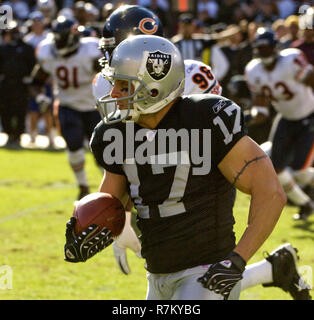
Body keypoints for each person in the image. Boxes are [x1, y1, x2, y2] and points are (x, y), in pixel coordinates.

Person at [63, 34, 290, 300]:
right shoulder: (115, 132)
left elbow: (270, 192)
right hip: (157, 272)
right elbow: (112, 203)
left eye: (124, 86)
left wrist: (238, 259)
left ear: (154, 86)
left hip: (206, 269)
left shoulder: (206, 118)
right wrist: (87, 229)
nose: (113, 94)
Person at [245, 27, 314, 221]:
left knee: (300, 171)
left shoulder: (291, 60)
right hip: (285, 118)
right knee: (277, 168)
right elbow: (262, 111)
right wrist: (247, 117)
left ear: (275, 47)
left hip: (309, 116)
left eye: (267, 47)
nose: (264, 51)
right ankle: (305, 204)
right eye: (261, 48)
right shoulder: (253, 70)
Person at [31, 15, 102, 199]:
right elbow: (36, 81)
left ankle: (110, 189)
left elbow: (109, 74)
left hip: (94, 107)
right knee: (73, 147)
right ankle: (83, 186)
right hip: (67, 106)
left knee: (103, 151)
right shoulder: (48, 52)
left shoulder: (90, 50)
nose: (58, 42)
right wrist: (40, 97)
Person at [0, 20, 36, 148]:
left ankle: (18, 135)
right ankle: (9, 134)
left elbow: (33, 65)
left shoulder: (27, 48)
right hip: (5, 85)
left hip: (22, 85)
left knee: (20, 111)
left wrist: (29, 78)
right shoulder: (3, 48)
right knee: (5, 111)